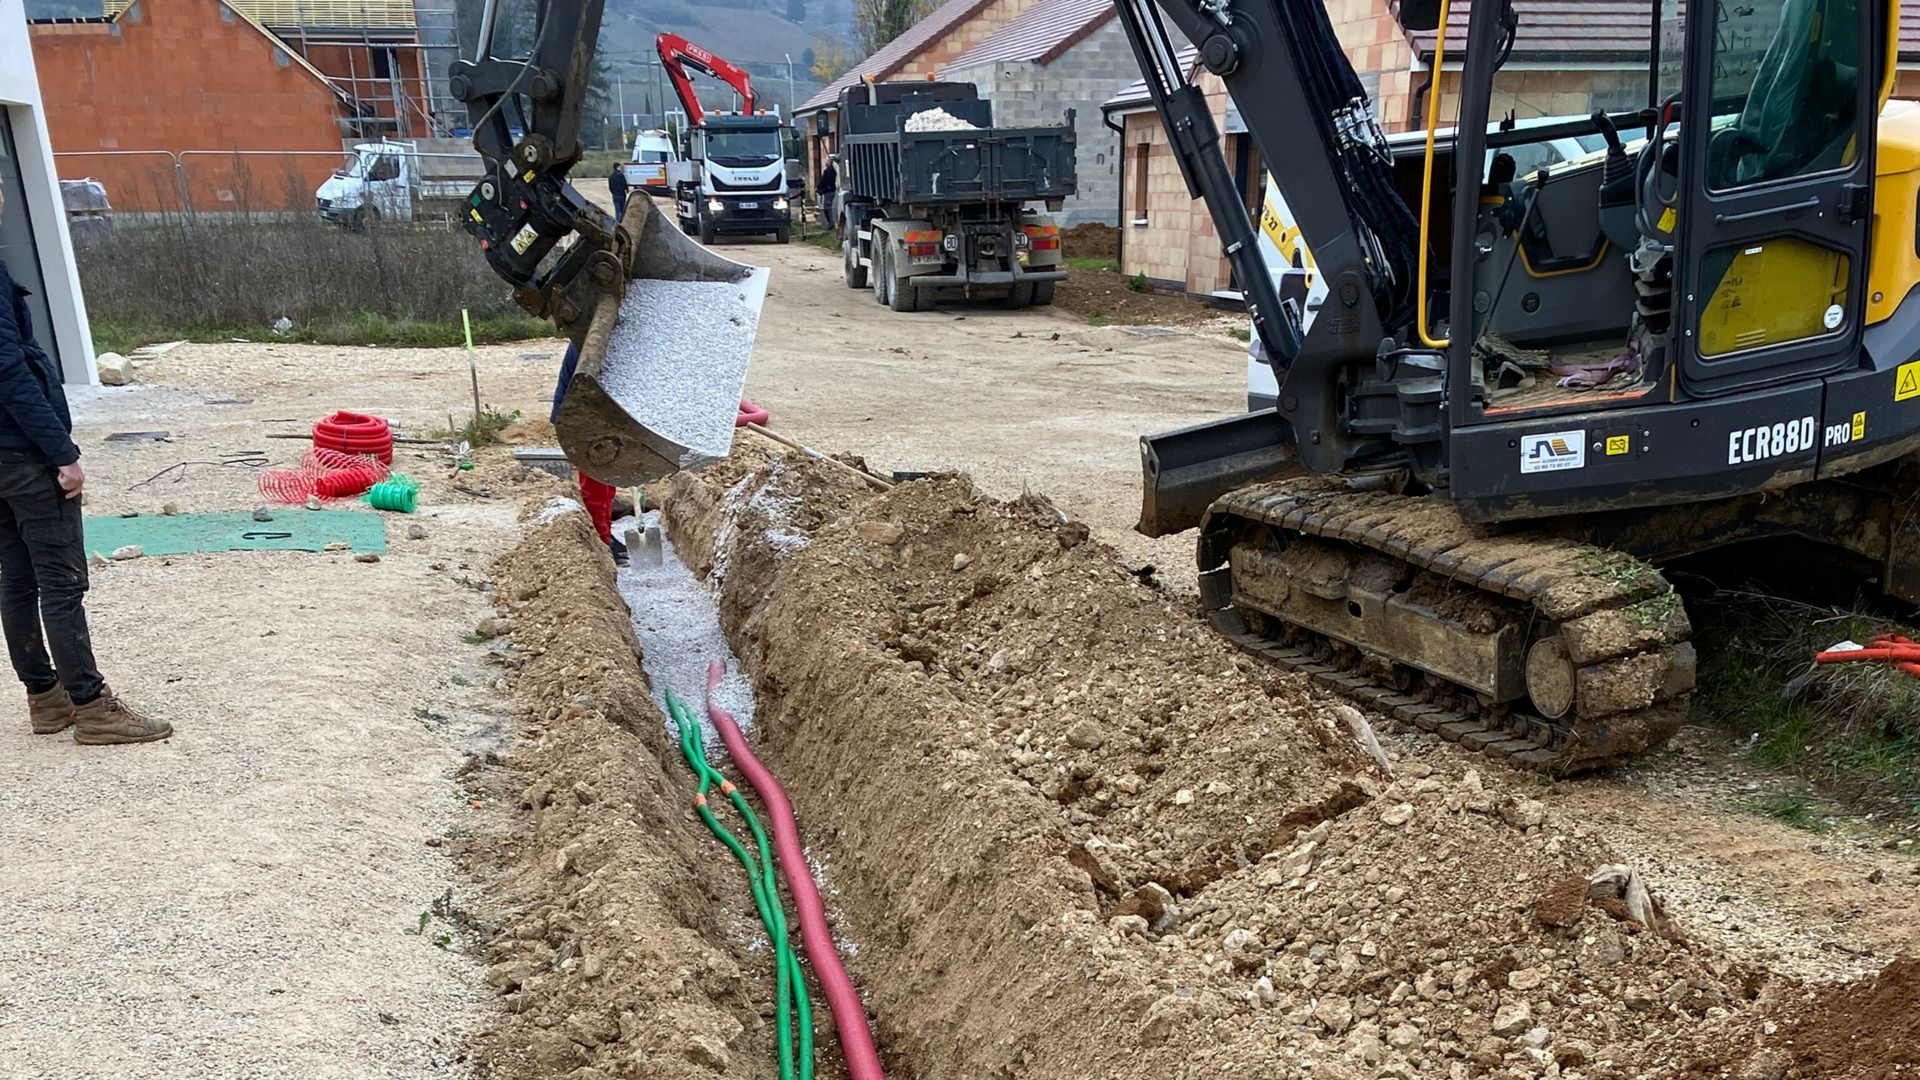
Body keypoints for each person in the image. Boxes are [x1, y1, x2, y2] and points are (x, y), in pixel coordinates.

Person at [0, 180, 169, 744]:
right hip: (22, 455)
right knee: (60, 581)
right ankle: (92, 708)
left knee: (18, 580)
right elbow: (9, 375)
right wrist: (62, 453)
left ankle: (44, 699)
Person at [551, 340, 626, 566]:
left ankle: (606, 533)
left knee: (607, 481)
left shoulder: (599, 338)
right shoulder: (590, 344)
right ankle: (601, 540)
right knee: (595, 482)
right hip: (580, 414)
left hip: (596, 410)